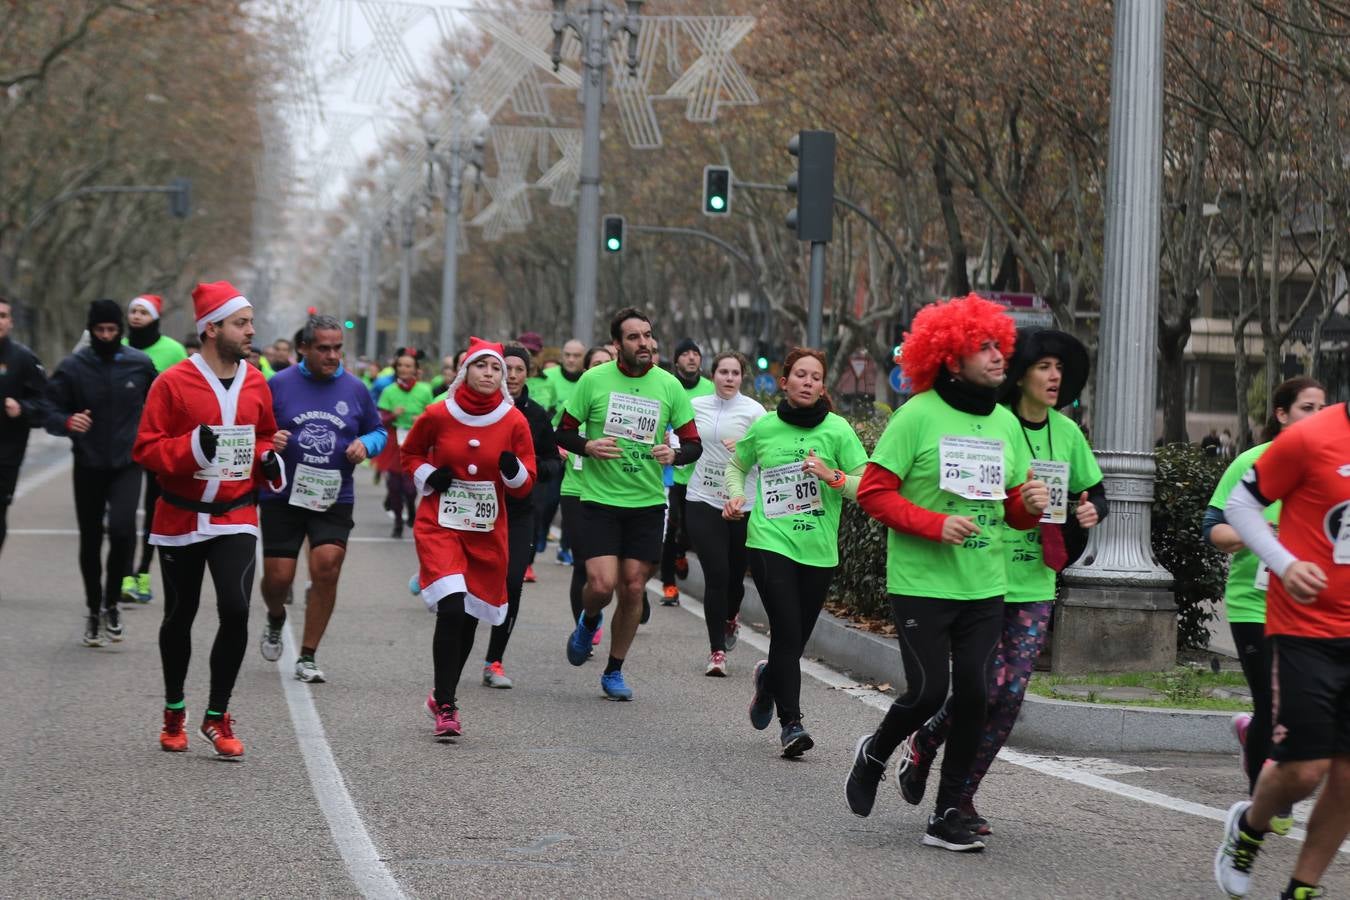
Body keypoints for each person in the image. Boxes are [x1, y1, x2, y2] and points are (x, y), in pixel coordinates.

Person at [843, 293, 1048, 853]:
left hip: (985, 582)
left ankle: (948, 811)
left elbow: (1013, 509)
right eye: (983, 348)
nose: (997, 356)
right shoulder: (916, 414)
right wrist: (935, 525)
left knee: (977, 696)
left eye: (998, 345)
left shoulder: (1006, 422)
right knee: (930, 691)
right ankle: (876, 752)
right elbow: (874, 493)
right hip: (922, 583)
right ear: (951, 357)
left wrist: (1030, 501)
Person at [895, 327, 1107, 835]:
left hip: (1035, 579)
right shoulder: (994, 422)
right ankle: (926, 745)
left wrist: (1089, 512)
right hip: (983, 575)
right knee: (981, 690)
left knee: (1009, 695)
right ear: (1021, 374)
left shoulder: (1069, 432)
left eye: (1060, 369)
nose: (1054, 377)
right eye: (1043, 367)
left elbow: (1095, 492)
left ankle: (961, 794)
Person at [133, 281, 285, 758]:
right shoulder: (172, 382)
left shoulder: (256, 381)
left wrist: (268, 457)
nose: (250, 331)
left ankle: (217, 715)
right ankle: (174, 707)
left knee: (237, 611)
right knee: (179, 615)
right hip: (180, 516)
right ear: (211, 328)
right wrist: (194, 447)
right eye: (241, 323)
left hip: (236, 515)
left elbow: (263, 436)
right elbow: (146, 448)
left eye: (250, 322)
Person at [1215, 390, 1349, 900]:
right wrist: (1285, 563)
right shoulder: (1311, 438)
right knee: (1304, 768)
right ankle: (1249, 827)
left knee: (1347, 779)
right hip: (1306, 629)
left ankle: (1301, 889)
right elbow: (1240, 505)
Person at [554, 308, 702, 701]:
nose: (644, 344)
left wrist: (676, 455)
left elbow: (693, 443)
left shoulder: (668, 386)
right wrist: (587, 445)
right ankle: (588, 622)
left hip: (648, 503)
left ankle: (614, 669)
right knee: (602, 586)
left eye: (648, 336)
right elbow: (563, 433)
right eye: (634, 337)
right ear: (617, 345)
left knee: (634, 588)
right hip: (599, 500)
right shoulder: (593, 380)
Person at [726, 348, 866, 755]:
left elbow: (869, 484)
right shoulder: (765, 428)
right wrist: (736, 497)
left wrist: (833, 476)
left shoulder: (839, 431)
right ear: (784, 383)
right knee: (787, 630)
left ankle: (769, 679)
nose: (807, 381)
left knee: (794, 640)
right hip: (770, 541)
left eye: (815, 376)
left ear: (823, 386)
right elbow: (737, 466)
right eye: (799, 375)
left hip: (817, 550)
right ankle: (792, 725)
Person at [1206, 377, 1324, 827]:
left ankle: (1253, 735)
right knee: (1271, 706)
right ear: (1281, 414)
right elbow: (1213, 529)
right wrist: (1257, 536)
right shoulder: (1252, 463)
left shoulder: (1332, 465)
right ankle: (1264, 800)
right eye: (1306, 408)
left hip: (1312, 607)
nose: (1317, 417)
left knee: (1297, 706)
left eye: (1321, 408)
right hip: (1254, 603)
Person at [403, 337, 536, 737]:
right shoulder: (438, 413)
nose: (490, 374)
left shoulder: (514, 421)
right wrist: (429, 475)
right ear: (465, 370)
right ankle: (447, 704)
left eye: (496, 369)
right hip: (440, 525)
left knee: (470, 619)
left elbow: (526, 482)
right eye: (482, 366)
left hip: (485, 532)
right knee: (453, 608)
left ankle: (442, 692)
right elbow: (410, 454)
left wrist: (513, 472)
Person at [256, 315, 385, 683]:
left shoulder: (356, 389)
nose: (332, 356)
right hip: (282, 493)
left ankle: (308, 655)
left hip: (333, 493)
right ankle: (276, 616)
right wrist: (271, 441)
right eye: (323, 348)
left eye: (337, 348)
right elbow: (257, 427)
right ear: (304, 348)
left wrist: (366, 444)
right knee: (279, 578)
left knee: (327, 565)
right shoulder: (277, 384)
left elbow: (378, 431)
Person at [44, 300, 156, 646]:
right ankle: (94, 609)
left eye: (112, 330)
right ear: (91, 331)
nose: (106, 336)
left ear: (120, 331)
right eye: (99, 331)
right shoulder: (74, 367)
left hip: (127, 462)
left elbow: (163, 403)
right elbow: (47, 407)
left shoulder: (139, 365)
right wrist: (66, 421)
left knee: (123, 531)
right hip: (89, 462)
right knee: (91, 539)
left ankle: (112, 605)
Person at [479, 345, 562, 688]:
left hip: (518, 511)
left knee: (512, 583)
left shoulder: (536, 415)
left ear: (528, 374)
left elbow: (552, 461)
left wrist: (528, 469)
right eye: (505, 368)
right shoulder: (473, 409)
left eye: (518, 370)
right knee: (473, 588)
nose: (511, 376)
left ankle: (494, 661)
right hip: (477, 510)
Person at [686, 350, 764, 675]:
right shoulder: (696, 407)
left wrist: (747, 450)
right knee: (716, 574)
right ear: (713, 374)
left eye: (735, 373)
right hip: (702, 497)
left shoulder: (755, 412)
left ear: (742, 378)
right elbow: (683, 442)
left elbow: (770, 458)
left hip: (741, 503)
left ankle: (732, 617)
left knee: (734, 578)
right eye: (723, 372)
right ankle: (716, 651)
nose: (729, 378)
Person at [120, 294, 189, 604]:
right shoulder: (117, 345)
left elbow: (184, 397)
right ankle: (124, 576)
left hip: (158, 443)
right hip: (122, 443)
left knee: (152, 510)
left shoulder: (173, 351)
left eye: (142, 312)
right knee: (122, 515)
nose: (136, 316)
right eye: (132, 311)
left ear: (155, 317)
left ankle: (144, 573)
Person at [558, 345, 614, 639]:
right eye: (594, 364)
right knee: (582, 562)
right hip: (576, 488)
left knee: (607, 571)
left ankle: (599, 604)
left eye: (606, 363)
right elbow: (556, 434)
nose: (600, 369)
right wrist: (559, 448)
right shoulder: (573, 402)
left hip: (610, 490)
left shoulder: (623, 403)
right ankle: (584, 625)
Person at [660, 338, 715, 605]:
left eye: (696, 354)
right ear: (677, 360)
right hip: (673, 472)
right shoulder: (667, 386)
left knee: (692, 530)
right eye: (686, 354)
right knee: (671, 527)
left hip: (703, 472)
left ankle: (682, 552)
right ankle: (668, 584)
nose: (692, 358)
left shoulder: (711, 389)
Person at [0, 296, 49, 579]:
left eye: (3, 315)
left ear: (11, 322)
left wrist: (22, 408)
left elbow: (45, 405)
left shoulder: (23, 359)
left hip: (7, 450)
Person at [377, 347, 433, 538]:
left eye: (408, 365)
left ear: (415, 369)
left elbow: (433, 415)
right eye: (400, 365)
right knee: (394, 485)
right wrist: (393, 415)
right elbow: (380, 418)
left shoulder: (425, 390)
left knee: (410, 487)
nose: (403, 369)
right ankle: (398, 523)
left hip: (415, 440)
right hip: (394, 440)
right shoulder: (388, 391)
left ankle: (411, 505)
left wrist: (422, 418)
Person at [540, 338, 586, 565]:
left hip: (581, 448)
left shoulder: (589, 381)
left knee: (573, 501)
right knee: (550, 499)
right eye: (567, 354)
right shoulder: (549, 378)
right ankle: (542, 529)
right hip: (554, 444)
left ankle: (565, 546)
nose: (571, 359)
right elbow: (544, 413)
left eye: (576, 355)